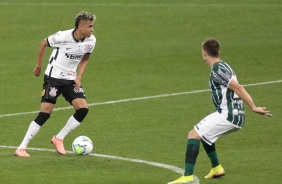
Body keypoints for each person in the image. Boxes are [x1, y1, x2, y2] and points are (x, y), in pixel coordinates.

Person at [168, 38, 272, 183]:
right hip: (233, 114)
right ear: (218, 52)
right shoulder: (224, 66)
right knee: (205, 134)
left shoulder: (217, 70)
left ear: (204, 53)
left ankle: (187, 176)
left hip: (228, 115)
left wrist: (253, 107)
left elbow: (238, 87)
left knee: (193, 135)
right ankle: (216, 168)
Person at [15, 11, 97, 157]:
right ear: (80, 26)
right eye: (90, 26)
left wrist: (79, 77)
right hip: (53, 78)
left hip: (70, 80)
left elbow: (85, 58)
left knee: (83, 109)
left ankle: (59, 138)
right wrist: (38, 66)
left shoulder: (91, 40)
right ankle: (21, 147)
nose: (92, 30)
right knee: (45, 112)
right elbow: (43, 43)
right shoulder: (62, 36)